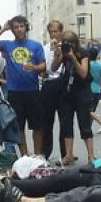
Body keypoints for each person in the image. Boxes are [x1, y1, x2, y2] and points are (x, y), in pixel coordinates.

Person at [0, 15, 46, 156]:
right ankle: (24, 155)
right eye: (16, 27)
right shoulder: (8, 45)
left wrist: (34, 68)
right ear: (13, 29)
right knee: (19, 126)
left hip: (32, 90)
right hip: (14, 91)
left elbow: (43, 65)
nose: (19, 29)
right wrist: (4, 28)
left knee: (38, 126)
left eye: (22, 26)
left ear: (26, 27)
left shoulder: (36, 45)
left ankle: (37, 155)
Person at [56, 32, 96, 164]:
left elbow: (84, 73)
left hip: (82, 92)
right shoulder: (63, 53)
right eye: (66, 43)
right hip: (66, 93)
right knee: (66, 124)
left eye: (72, 42)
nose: (69, 46)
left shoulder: (83, 53)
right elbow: (53, 68)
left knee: (84, 123)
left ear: (76, 43)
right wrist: (59, 55)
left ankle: (91, 155)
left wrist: (73, 58)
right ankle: (68, 155)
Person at [39, 20, 67, 160]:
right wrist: (54, 52)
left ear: (61, 32)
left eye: (56, 31)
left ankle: (66, 153)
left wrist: (60, 51)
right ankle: (45, 151)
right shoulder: (44, 49)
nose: (54, 34)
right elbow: (48, 69)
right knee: (47, 121)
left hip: (63, 84)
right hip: (49, 84)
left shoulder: (67, 46)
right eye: (51, 32)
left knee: (65, 120)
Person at [86, 47, 101, 136]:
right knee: (92, 110)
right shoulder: (100, 65)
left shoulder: (88, 64)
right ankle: (89, 128)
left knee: (87, 110)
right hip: (97, 89)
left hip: (89, 88)